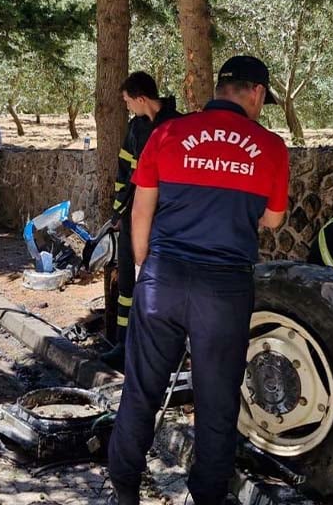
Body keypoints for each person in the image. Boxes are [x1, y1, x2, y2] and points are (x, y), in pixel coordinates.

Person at [109, 55, 290, 505]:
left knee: (142, 390)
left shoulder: (169, 132)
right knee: (216, 401)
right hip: (224, 289)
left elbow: (141, 209)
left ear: (219, 89)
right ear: (257, 94)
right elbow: (273, 219)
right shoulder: (270, 147)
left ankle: (125, 488)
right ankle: (207, 495)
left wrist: (147, 268)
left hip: (162, 278)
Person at [100, 71, 181, 370]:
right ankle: (124, 345)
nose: (126, 107)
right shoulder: (135, 128)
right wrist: (119, 213)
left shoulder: (178, 126)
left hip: (166, 220)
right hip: (134, 217)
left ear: (141, 98)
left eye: (127, 101)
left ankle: (160, 351)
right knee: (127, 286)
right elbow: (124, 173)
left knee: (161, 286)